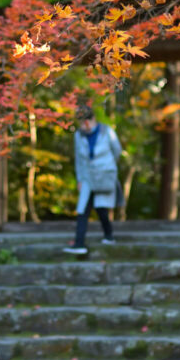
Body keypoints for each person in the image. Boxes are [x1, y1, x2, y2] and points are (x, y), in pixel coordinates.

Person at [64, 106, 122, 255]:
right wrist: (80, 178)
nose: (85, 125)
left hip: (105, 174)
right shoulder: (79, 135)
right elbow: (78, 158)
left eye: (87, 121)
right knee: (82, 209)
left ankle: (109, 236)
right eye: (82, 122)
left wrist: (107, 165)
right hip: (87, 176)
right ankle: (79, 243)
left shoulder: (106, 131)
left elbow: (117, 151)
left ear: (92, 119)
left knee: (102, 208)